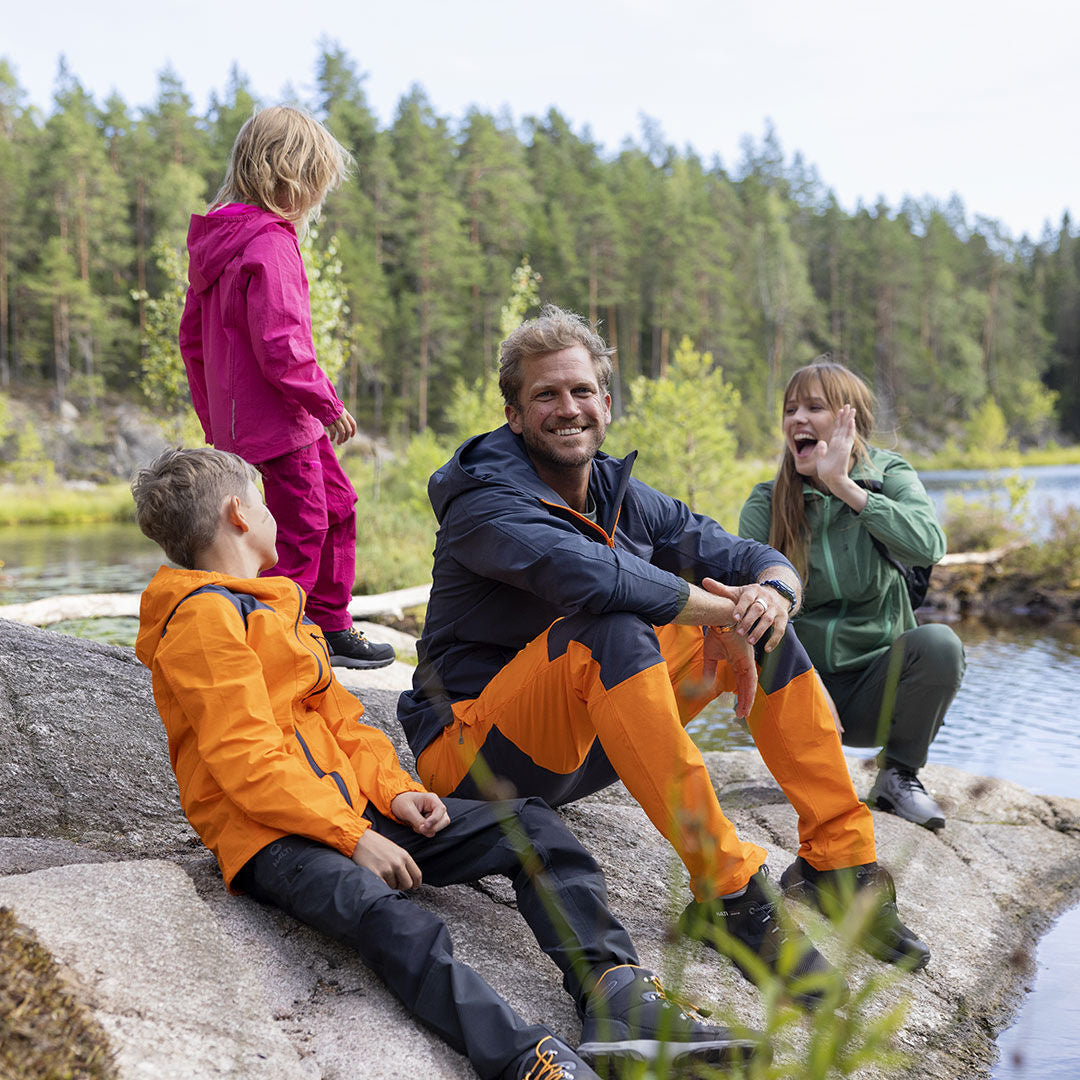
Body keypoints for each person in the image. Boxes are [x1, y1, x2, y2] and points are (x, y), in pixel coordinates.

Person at [131, 446, 759, 1080]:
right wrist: (353, 841)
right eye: (264, 503)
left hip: (354, 812)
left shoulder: (272, 605)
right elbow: (245, 759)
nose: (273, 516)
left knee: (533, 829)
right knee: (393, 922)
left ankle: (619, 998)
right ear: (239, 514)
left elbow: (342, 721)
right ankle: (523, 1059)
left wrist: (399, 793)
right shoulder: (202, 618)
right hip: (275, 838)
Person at [398, 306, 932, 1007]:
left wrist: (772, 595)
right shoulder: (484, 501)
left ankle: (842, 862)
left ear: (607, 403)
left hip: (580, 746)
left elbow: (742, 553)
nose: (568, 409)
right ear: (515, 415)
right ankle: (732, 896)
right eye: (546, 395)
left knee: (762, 626)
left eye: (582, 391)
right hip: (474, 756)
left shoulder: (622, 493)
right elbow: (593, 577)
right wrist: (727, 612)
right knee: (618, 624)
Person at [178, 104, 393, 670]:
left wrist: (215, 423)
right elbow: (283, 342)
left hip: (255, 421)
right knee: (301, 528)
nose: (316, 201)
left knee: (338, 505)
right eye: (316, 186)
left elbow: (192, 345)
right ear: (289, 178)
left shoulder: (217, 246)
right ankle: (279, 634)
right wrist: (327, 403)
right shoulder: (268, 243)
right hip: (284, 416)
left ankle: (327, 622)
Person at [739, 359, 965, 830]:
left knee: (941, 644)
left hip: (875, 690)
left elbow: (930, 545)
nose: (797, 419)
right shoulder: (768, 501)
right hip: (801, 684)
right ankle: (805, 767)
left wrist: (844, 486)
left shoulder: (889, 476)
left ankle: (898, 776)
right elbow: (750, 599)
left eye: (814, 407)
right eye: (790, 409)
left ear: (849, 419)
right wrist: (802, 676)